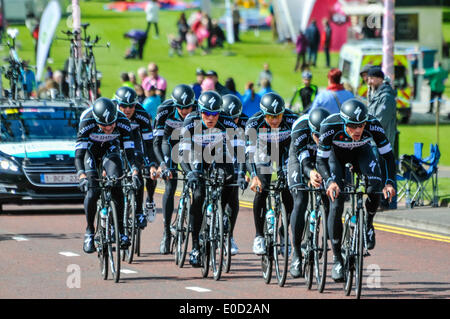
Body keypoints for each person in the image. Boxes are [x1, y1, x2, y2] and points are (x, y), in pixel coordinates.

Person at [316, 99, 396, 282]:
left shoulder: (373, 125)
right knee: (336, 204)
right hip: (336, 157)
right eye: (352, 126)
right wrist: (329, 182)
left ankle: (368, 223)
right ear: (344, 122)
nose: (358, 130)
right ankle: (337, 259)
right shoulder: (330, 125)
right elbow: (321, 161)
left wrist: (389, 182)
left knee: (374, 188)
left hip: (362, 153)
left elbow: (388, 157)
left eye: (361, 125)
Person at [179, 91, 244, 266]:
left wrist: (241, 173)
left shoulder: (227, 121)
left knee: (231, 178)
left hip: (219, 153)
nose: (211, 117)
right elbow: (182, 153)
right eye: (207, 113)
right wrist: (190, 172)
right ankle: (194, 247)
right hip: (197, 154)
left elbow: (239, 152)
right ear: (200, 111)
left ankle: (220, 215)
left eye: (215, 113)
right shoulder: (190, 122)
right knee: (199, 195)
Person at [76, 98, 140, 254]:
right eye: (104, 125)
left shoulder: (122, 121)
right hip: (91, 151)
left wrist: (135, 172)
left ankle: (119, 230)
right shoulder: (87, 121)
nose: (109, 128)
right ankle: (90, 231)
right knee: (93, 191)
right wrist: (82, 176)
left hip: (111, 150)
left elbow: (130, 152)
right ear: (96, 120)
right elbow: (79, 155)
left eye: (112, 124)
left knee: (117, 183)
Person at [245, 92, 298, 255]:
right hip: (263, 150)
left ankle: (283, 231)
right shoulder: (254, 123)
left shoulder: (292, 119)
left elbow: (298, 147)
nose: (274, 120)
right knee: (263, 186)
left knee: (289, 187)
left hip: (285, 149)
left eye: (278, 115)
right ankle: (259, 236)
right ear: (263, 113)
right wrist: (253, 175)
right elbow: (248, 154)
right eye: (270, 116)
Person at [153, 84, 196, 254]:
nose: (185, 111)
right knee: (170, 185)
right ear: (175, 104)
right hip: (169, 143)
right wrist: (162, 165)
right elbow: (157, 142)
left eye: (188, 107)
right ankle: (166, 233)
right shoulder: (164, 110)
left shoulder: (201, 108)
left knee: (196, 181)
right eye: (181, 108)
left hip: (191, 145)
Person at [287, 107, 330, 278]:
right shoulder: (300, 128)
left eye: (323, 136)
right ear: (312, 130)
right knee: (300, 199)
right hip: (299, 157)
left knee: (329, 195)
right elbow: (303, 161)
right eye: (317, 136)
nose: (319, 139)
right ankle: (296, 252)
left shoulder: (332, 129)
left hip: (322, 157)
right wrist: (310, 173)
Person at [113, 87, 158, 228]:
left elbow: (149, 143)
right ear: (117, 104)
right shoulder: (111, 113)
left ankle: (139, 212)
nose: (127, 109)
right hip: (114, 139)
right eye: (123, 106)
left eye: (131, 106)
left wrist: (151, 164)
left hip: (134, 140)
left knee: (138, 170)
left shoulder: (141, 115)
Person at [220, 94, 249, 255]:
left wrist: (243, 172)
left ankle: (229, 236)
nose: (233, 122)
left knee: (233, 191)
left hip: (235, 155)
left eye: (236, 118)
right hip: (213, 153)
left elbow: (245, 151)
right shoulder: (215, 119)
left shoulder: (245, 123)